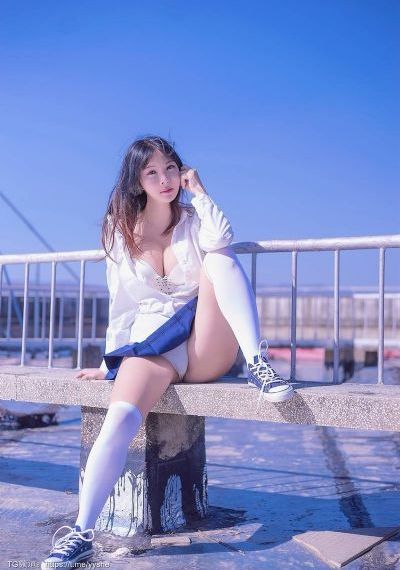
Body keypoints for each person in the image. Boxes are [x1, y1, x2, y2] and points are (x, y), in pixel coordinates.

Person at [41, 135, 294, 569]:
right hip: (152, 345)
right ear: (137, 181)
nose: (165, 180)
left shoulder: (194, 220)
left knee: (219, 258)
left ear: (183, 172)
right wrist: (106, 363)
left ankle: (258, 364)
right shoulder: (119, 230)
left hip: (201, 344)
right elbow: (121, 304)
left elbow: (223, 238)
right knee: (120, 419)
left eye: (171, 169)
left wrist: (202, 194)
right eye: (152, 172)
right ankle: (81, 534)